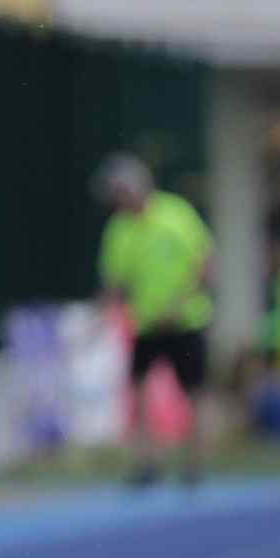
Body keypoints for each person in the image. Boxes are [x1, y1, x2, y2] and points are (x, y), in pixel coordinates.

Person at [96, 152, 214, 486]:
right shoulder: (119, 229)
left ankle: (193, 464)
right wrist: (101, 314)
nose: (117, 200)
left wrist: (180, 304)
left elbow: (205, 262)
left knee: (193, 393)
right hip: (147, 324)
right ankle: (148, 463)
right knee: (137, 388)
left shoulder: (175, 214)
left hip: (185, 322)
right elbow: (114, 280)